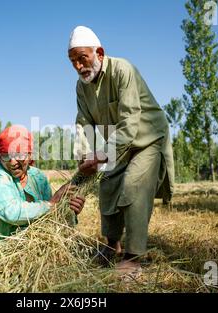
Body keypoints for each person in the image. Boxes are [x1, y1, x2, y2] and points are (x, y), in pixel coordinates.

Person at [67, 26, 175, 274]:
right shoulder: (81, 87)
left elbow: (130, 122)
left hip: (146, 138)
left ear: (99, 53)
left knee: (134, 185)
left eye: (82, 58)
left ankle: (134, 256)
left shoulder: (122, 70)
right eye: (72, 61)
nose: (78, 66)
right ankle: (112, 244)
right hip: (117, 144)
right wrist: (84, 156)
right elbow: (84, 122)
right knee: (108, 185)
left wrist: (102, 154)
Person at [0, 125, 85, 247]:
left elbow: (50, 216)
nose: (13, 162)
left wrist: (68, 210)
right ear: (0, 156)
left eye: (19, 155)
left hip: (20, 243)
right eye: (6, 156)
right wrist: (50, 204)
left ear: (30, 155)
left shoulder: (38, 177)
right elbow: (10, 213)